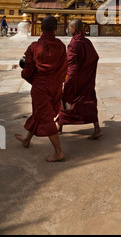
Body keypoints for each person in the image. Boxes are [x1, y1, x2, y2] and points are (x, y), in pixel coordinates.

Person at [15, 15, 68, 162]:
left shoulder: (34, 47)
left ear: (41, 28)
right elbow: (65, 67)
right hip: (56, 87)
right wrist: (58, 82)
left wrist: (35, 81)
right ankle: (27, 140)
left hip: (41, 87)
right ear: (56, 28)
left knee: (45, 117)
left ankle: (59, 152)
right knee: (41, 113)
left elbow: (27, 70)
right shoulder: (61, 46)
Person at [57, 19, 102, 140]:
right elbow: (95, 58)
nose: (68, 29)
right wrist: (88, 73)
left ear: (74, 29)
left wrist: (68, 82)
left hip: (76, 81)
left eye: (69, 27)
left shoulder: (74, 44)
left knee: (65, 100)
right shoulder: (86, 41)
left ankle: (59, 127)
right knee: (89, 103)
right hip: (86, 80)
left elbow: (73, 67)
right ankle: (97, 128)